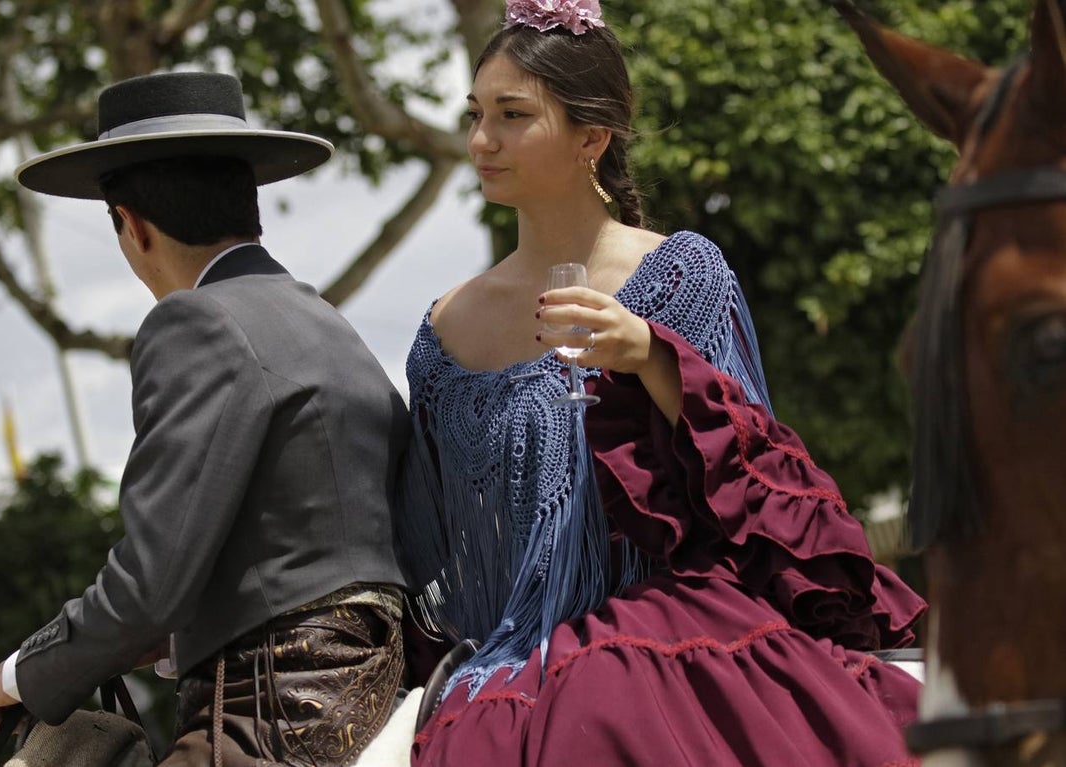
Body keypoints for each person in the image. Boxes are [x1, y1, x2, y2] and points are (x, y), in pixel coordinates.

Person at [395, 1, 928, 765]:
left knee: (604, 702)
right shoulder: (443, 330)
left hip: (667, 631)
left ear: (592, 136)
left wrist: (650, 354)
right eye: (476, 113)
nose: (482, 140)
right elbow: (432, 551)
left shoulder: (680, 273)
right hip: (505, 659)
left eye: (512, 115)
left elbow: (758, 480)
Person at [0, 71, 410, 766]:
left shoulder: (192, 320)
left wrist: (25, 671)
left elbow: (151, 581)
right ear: (249, 202)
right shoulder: (327, 323)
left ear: (131, 226)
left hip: (271, 714)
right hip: (373, 687)